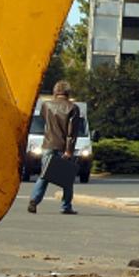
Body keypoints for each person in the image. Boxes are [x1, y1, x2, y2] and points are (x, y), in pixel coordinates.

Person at [27, 81, 81, 216]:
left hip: (48, 144)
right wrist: (69, 150)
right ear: (68, 93)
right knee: (67, 178)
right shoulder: (73, 108)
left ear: (55, 92)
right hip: (63, 147)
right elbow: (71, 132)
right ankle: (66, 205)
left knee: (44, 175)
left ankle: (34, 200)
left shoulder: (46, 105)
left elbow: (45, 120)